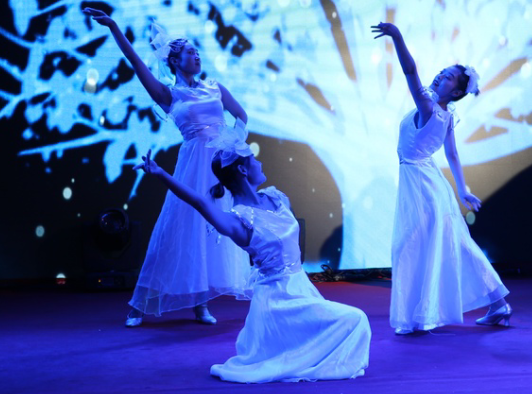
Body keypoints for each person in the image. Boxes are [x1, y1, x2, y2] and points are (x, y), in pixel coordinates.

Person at [134, 130, 371, 383]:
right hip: (278, 300)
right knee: (357, 319)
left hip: (302, 288)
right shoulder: (238, 221)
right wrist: (161, 174)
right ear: (243, 170)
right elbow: (200, 203)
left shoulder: (276, 198)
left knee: (349, 325)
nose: (260, 162)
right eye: (254, 160)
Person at [84, 7, 250, 326]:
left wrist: (232, 146)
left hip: (220, 166)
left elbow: (241, 116)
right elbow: (135, 62)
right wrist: (114, 27)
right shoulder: (169, 94)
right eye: (190, 52)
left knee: (210, 232)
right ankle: (139, 305)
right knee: (177, 231)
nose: (196, 55)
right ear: (174, 60)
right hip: (193, 167)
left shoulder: (215, 87)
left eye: (197, 51)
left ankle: (200, 303)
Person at [372, 22, 510, 334]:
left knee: (412, 246)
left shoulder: (429, 107)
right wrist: (462, 191)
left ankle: (422, 313)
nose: (439, 76)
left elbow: (410, 71)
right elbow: (453, 155)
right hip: (430, 183)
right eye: (442, 72)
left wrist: (397, 37)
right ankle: (498, 303)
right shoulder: (444, 115)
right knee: (453, 244)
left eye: (447, 77)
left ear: (457, 92)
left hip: (422, 186)